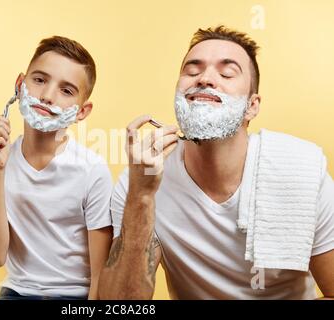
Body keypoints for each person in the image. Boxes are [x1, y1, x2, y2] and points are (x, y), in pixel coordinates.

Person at [99, 26, 334, 299]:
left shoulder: (301, 170)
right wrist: (141, 195)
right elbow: (122, 304)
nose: (205, 79)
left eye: (227, 73)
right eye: (192, 70)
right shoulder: (139, 182)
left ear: (252, 106)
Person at [0, 36, 112, 300]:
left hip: (74, 297)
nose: (47, 96)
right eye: (39, 80)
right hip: (16, 292)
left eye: (66, 90)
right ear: (20, 85)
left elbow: (100, 274)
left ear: (82, 112)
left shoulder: (92, 171)